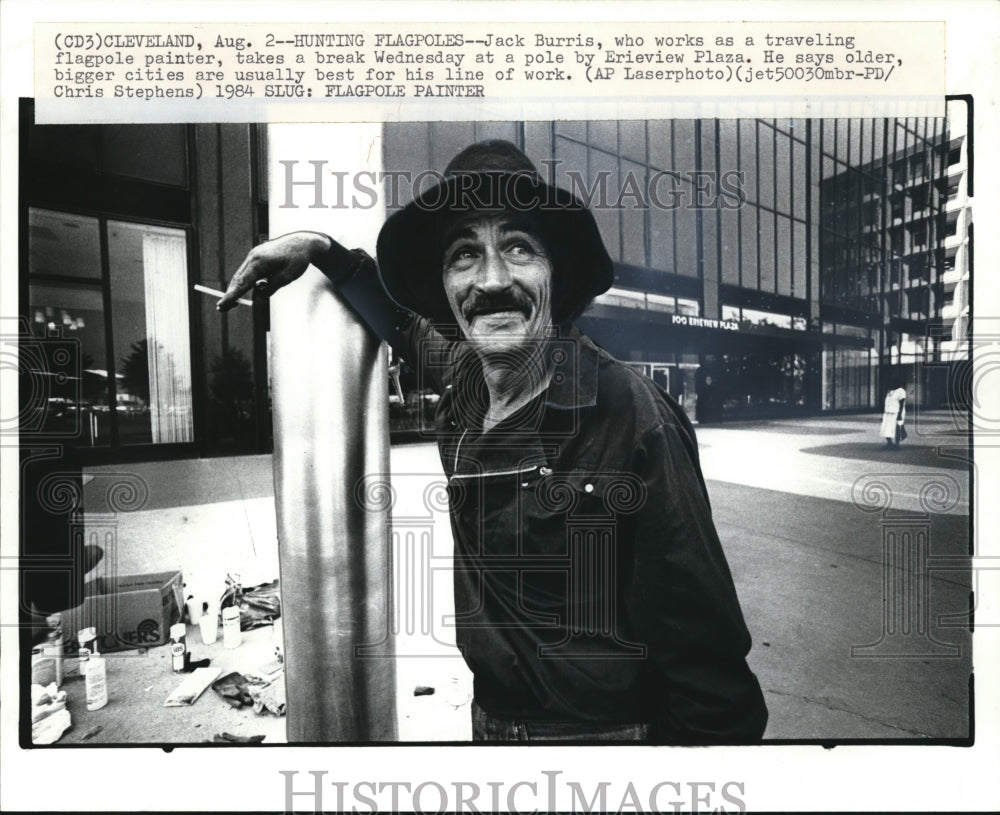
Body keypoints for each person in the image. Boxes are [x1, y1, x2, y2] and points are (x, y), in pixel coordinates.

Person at [219, 140, 767, 744]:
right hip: (490, 729)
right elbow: (401, 323)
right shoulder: (464, 383)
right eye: (463, 255)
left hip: (602, 744)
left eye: (518, 247)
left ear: (555, 273)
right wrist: (320, 250)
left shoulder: (633, 419)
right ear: (447, 289)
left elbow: (710, 674)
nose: (493, 280)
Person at [880, 379, 907, 449]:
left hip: (896, 412)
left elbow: (901, 404)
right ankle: (889, 443)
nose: (891, 384)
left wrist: (899, 415)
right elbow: (887, 403)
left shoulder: (901, 391)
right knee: (886, 428)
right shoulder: (890, 391)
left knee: (896, 428)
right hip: (888, 413)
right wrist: (883, 414)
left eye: (892, 383)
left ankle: (897, 444)